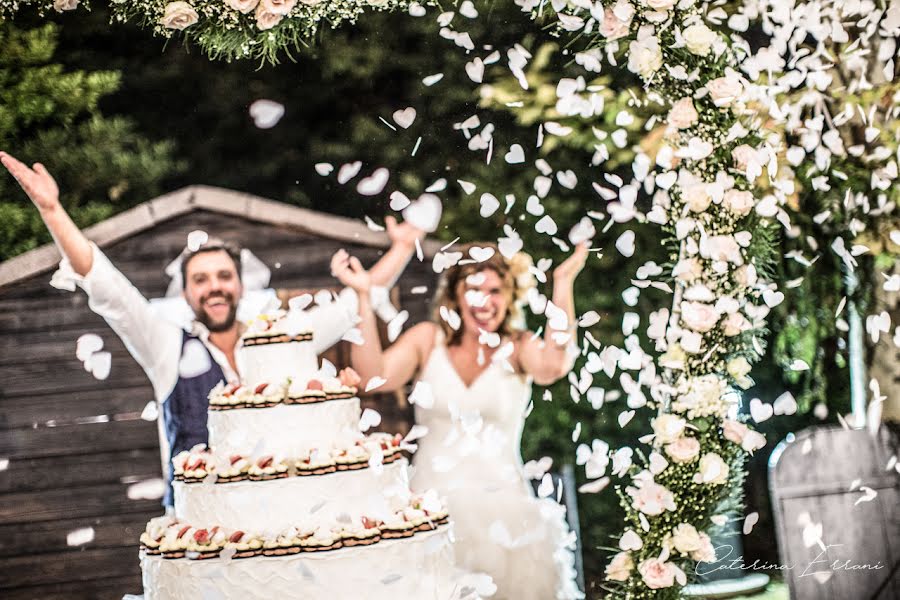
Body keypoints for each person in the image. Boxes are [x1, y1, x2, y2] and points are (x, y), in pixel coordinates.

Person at [0, 151, 422, 506]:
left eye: (223, 276)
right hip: (198, 535)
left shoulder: (282, 337)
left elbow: (356, 298)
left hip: (285, 519)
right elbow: (109, 289)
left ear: (240, 284)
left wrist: (403, 247)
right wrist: (52, 211)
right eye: (200, 280)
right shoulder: (166, 347)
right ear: (185, 294)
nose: (214, 287)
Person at [332, 240, 589, 600]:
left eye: (495, 291)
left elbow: (555, 364)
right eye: (474, 289)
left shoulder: (517, 347)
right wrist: (362, 297)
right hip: (433, 510)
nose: (485, 301)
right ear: (455, 296)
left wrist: (563, 282)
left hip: (507, 517)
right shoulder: (427, 340)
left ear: (510, 295)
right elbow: (373, 375)